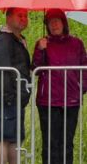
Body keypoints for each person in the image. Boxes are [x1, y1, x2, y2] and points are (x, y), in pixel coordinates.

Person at [32, 9, 87, 164]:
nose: (54, 24)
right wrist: (40, 50)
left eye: (57, 20)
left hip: (71, 101)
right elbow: (35, 68)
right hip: (48, 101)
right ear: (47, 25)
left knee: (67, 143)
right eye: (50, 21)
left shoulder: (77, 43)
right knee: (50, 143)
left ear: (64, 22)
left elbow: (85, 68)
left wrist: (80, 88)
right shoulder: (42, 43)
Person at [0, 8, 31, 164]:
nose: (23, 19)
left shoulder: (17, 39)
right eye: (19, 15)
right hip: (7, 97)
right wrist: (7, 96)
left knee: (14, 139)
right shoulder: (3, 40)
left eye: (25, 16)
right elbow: (2, 70)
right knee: (4, 139)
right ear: (8, 17)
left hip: (16, 96)